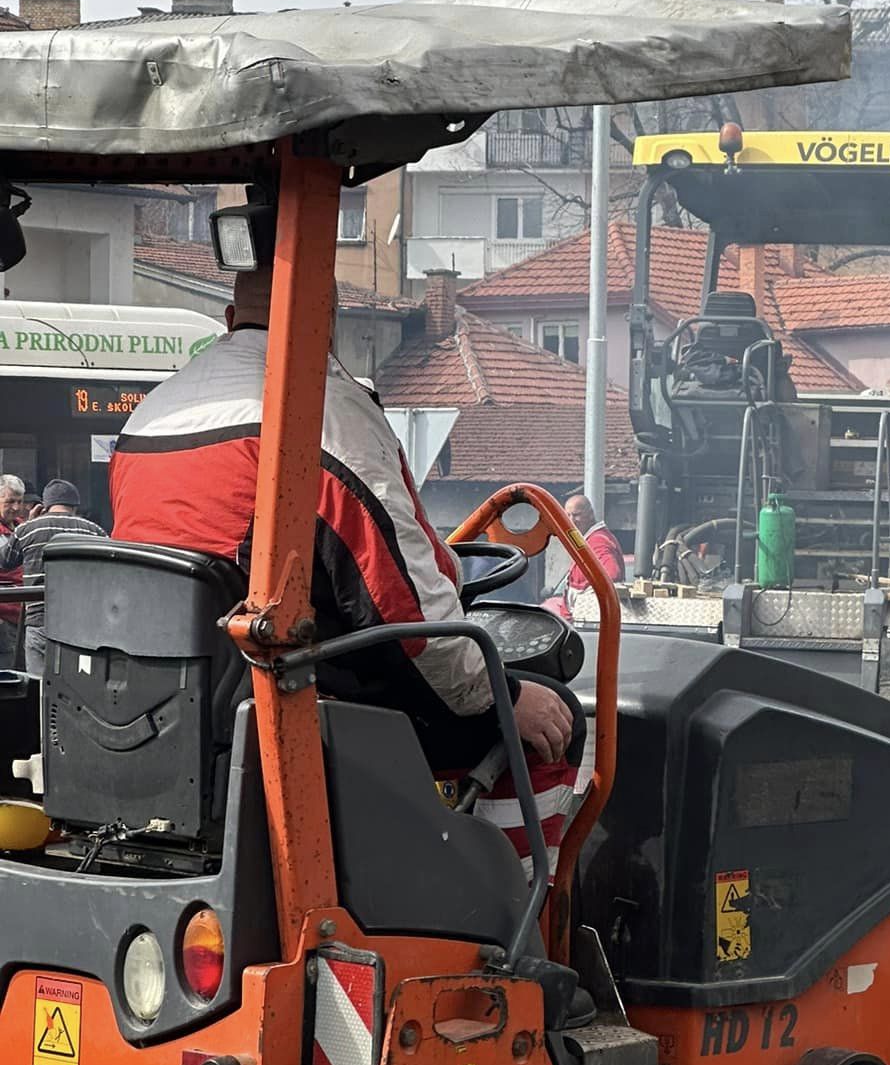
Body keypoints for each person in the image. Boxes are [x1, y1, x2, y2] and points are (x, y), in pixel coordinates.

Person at [108, 268, 572, 768]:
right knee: (552, 714)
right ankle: (506, 849)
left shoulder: (147, 417)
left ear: (229, 321)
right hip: (291, 705)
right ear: (324, 324)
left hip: (167, 706)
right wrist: (501, 693)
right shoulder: (318, 415)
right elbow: (406, 609)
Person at [0, 480, 108, 675]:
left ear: (45, 505)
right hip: (81, 621)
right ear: (75, 506)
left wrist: (29, 525)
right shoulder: (94, 531)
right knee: (77, 683)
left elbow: (5, 561)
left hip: (38, 618)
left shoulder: (28, 529)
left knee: (38, 682)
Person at [545, 492, 625, 621]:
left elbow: (612, 574)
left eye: (577, 515)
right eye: (568, 515)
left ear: (590, 515)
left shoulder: (598, 540)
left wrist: (586, 599)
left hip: (586, 622)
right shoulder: (588, 540)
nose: (571, 520)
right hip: (578, 620)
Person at [0, 474, 28, 671]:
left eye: (20, 501)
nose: (16, 507)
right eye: (10, 501)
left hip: (23, 615)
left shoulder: (22, 527)